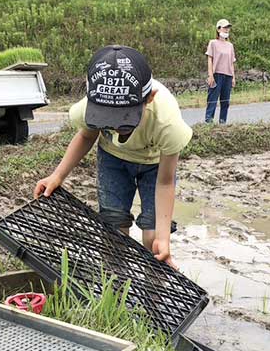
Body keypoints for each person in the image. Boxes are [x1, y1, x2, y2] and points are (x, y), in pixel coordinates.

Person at [33, 45, 192, 267]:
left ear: (149, 98)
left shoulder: (167, 122)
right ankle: (116, 279)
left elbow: (165, 183)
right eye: (108, 118)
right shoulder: (87, 108)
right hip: (113, 160)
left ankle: (154, 283)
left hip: (154, 164)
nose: (116, 127)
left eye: (124, 119)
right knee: (113, 230)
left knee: (152, 237)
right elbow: (86, 137)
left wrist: (163, 239)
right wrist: (57, 176)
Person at [204, 19, 236, 124]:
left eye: (228, 28)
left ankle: (223, 122)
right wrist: (210, 75)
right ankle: (209, 121)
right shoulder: (213, 43)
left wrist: (233, 77)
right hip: (216, 74)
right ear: (218, 29)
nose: (227, 30)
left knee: (225, 101)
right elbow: (210, 59)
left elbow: (231, 62)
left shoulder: (230, 46)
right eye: (224, 27)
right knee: (212, 99)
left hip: (228, 75)